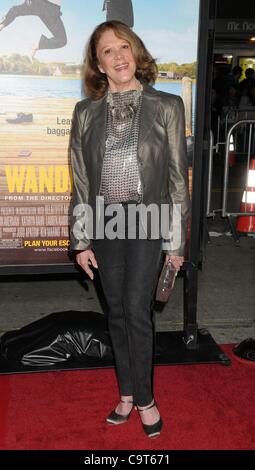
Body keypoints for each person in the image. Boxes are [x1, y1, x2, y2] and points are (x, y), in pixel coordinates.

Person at [70, 20, 190, 438]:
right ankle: (125, 393)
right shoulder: (85, 112)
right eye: (108, 51)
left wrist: (176, 243)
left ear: (135, 53)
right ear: (99, 65)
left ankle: (146, 399)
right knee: (116, 312)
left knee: (137, 311)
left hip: (147, 220)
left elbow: (177, 178)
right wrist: (81, 238)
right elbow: (81, 179)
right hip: (104, 221)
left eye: (125, 46)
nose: (119, 56)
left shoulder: (168, 105)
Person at [0, 0, 67, 58]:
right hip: (49, 8)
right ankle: (38, 45)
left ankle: (2, 24)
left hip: (39, 4)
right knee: (61, 40)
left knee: (16, 10)